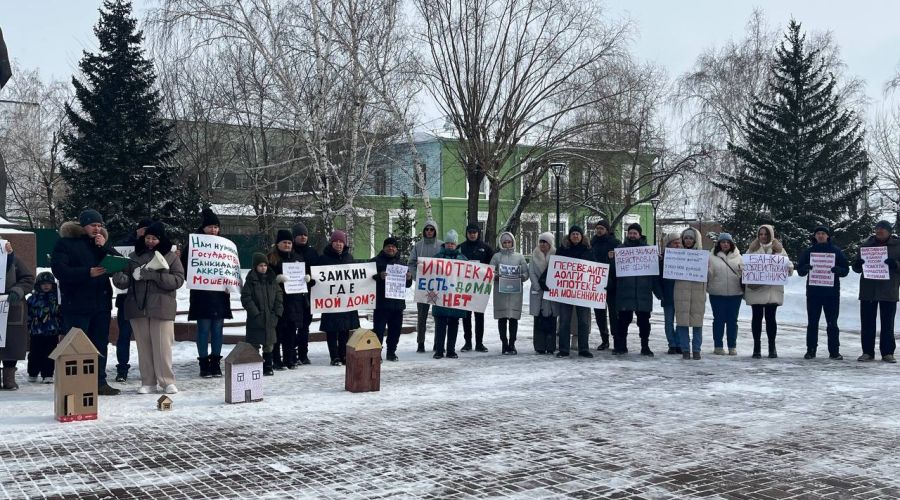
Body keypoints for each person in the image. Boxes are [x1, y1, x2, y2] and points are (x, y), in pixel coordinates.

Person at [50, 209, 120, 395]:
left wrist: (104, 246)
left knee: (100, 344)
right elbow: (59, 270)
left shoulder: (101, 244)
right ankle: (76, 383)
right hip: (77, 305)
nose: (97, 229)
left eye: (99, 225)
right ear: (83, 226)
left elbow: (119, 264)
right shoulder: (65, 243)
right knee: (77, 346)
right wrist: (86, 273)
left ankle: (100, 382)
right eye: (93, 225)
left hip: (101, 305)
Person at [112, 222, 185, 394]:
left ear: (161, 239)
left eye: (154, 238)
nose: (150, 241)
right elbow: (126, 281)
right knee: (143, 346)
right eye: (148, 238)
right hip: (138, 306)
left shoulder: (171, 256)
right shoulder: (133, 256)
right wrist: (118, 276)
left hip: (161, 306)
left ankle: (167, 381)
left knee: (162, 346)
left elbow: (178, 280)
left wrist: (154, 276)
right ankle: (148, 381)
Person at [183, 208, 232, 378]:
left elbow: (231, 267)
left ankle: (216, 363)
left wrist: (230, 284)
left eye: (216, 227)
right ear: (203, 227)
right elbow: (184, 266)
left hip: (220, 294)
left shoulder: (225, 245)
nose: (214, 230)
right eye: (210, 226)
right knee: (203, 329)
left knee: (218, 329)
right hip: (201, 294)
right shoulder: (193, 244)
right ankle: (204, 363)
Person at [797, 226, 849, 360]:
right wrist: (805, 268)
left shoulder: (836, 251)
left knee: (832, 323)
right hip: (814, 293)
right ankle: (811, 350)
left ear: (828, 236)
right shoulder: (809, 252)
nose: (820, 236)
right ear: (814, 236)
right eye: (818, 233)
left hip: (831, 294)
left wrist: (838, 270)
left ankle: (834, 351)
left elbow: (845, 270)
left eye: (823, 233)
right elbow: (800, 271)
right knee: (812, 323)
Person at [852, 220, 900, 362]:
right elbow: (855, 266)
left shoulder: (898, 246)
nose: (879, 231)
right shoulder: (866, 246)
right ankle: (867, 352)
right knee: (867, 323)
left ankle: (887, 352)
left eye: (883, 229)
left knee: (887, 323)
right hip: (869, 290)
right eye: (877, 228)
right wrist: (858, 265)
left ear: (889, 231)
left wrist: (895, 264)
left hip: (888, 290)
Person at [744, 224, 793, 359]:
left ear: (770, 235)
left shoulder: (779, 249)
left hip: (772, 290)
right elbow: (745, 264)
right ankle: (757, 347)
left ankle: (772, 347)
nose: (763, 236)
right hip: (757, 289)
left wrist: (788, 268)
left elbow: (788, 265)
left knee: (771, 319)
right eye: (761, 234)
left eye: (766, 234)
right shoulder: (752, 249)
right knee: (756, 319)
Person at [612, 223, 661, 357]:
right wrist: (611, 260)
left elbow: (654, 274)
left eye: (635, 233)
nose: (632, 235)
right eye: (630, 233)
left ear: (640, 234)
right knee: (623, 321)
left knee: (644, 322)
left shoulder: (648, 251)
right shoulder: (620, 250)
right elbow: (613, 272)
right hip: (624, 292)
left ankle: (645, 346)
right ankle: (622, 346)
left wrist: (658, 292)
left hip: (643, 293)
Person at [113, 218, 152, 382]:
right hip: (126, 297)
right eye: (143, 230)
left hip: (149, 296)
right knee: (124, 335)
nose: (145, 234)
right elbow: (117, 253)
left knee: (150, 336)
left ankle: (151, 369)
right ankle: (122, 368)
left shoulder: (156, 247)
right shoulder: (126, 244)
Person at [317, 230, 360, 366]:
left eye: (341, 242)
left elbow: (357, 277)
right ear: (332, 242)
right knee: (331, 330)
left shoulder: (349, 258)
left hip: (346, 300)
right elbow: (318, 278)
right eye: (336, 241)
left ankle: (343, 355)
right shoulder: (323, 259)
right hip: (330, 300)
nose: (339, 244)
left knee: (344, 330)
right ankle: (334, 356)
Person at [0, 243, 36, 390]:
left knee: (11, 342)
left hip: (11, 307)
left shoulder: (14, 259)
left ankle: (9, 377)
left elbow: (28, 278)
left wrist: (17, 291)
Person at [555, 225, 595, 358]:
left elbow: (595, 270)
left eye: (578, 234)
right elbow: (554, 267)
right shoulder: (562, 250)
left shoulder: (589, 250)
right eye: (573, 234)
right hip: (565, 291)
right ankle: (564, 349)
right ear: (569, 236)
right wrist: (545, 280)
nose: (575, 236)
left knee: (583, 321)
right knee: (564, 321)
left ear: (582, 236)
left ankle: (584, 349)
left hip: (583, 292)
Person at [241, 252, 284, 375]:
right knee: (254, 344)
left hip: (270, 318)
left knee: (269, 344)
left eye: (265, 265)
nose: (263, 268)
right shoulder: (250, 280)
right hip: (255, 319)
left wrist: (277, 313)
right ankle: (254, 367)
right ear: (255, 267)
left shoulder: (272, 279)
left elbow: (279, 297)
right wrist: (255, 313)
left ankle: (268, 366)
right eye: (260, 265)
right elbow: (246, 298)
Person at [371, 237, 412, 361]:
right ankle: (377, 353)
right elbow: (368, 280)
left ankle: (391, 352)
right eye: (388, 246)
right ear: (384, 248)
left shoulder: (402, 263)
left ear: (396, 248)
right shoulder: (375, 262)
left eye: (393, 246)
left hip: (397, 305)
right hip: (381, 304)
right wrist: (379, 276)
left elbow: (408, 285)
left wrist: (409, 278)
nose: (391, 248)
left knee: (395, 330)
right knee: (378, 330)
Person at [268, 230, 304, 370]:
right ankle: (276, 360)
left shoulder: (297, 258)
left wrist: (305, 279)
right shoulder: (271, 258)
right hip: (277, 301)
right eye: (284, 242)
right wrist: (276, 280)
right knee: (277, 332)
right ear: (278, 244)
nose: (287, 245)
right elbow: (265, 277)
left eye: (289, 242)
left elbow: (303, 273)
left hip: (293, 301)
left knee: (290, 331)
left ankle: (289, 359)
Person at [489, 232, 529, 354]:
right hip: (501, 293)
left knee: (513, 319)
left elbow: (526, 273)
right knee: (502, 319)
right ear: (501, 243)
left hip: (515, 293)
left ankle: (512, 343)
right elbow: (490, 271)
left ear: (513, 242)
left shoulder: (519, 257)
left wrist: (521, 277)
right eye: (504, 242)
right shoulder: (496, 257)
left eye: (509, 242)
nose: (507, 244)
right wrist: (496, 276)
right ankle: (504, 343)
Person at [408, 219, 443, 353]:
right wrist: (416, 276)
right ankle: (420, 342)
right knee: (422, 315)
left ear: (435, 231)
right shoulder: (418, 246)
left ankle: (437, 342)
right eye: (427, 229)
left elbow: (447, 264)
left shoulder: (441, 245)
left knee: (438, 315)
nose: (429, 232)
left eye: (431, 229)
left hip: (438, 286)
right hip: (423, 286)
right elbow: (411, 263)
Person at [431, 230, 467, 359]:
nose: (450, 245)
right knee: (440, 324)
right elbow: (429, 273)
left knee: (454, 324)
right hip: (440, 297)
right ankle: (439, 350)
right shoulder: (437, 259)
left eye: (452, 243)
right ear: (444, 244)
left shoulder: (463, 259)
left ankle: (451, 350)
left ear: (456, 244)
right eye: (448, 243)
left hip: (455, 298)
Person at [459, 223, 494, 352]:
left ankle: (479, 343)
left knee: (479, 316)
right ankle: (467, 342)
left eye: (475, 232)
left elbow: (493, 264)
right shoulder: (461, 248)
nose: (472, 234)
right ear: (467, 234)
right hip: (465, 287)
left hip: (480, 288)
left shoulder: (486, 248)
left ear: (478, 233)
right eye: (470, 232)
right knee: (466, 316)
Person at [707, 233, 743, 355]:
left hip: (735, 294)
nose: (725, 244)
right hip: (717, 294)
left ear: (731, 244)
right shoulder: (711, 258)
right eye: (723, 242)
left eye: (727, 242)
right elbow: (707, 275)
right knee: (719, 320)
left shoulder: (739, 257)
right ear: (719, 244)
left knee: (733, 321)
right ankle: (718, 345)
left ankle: (732, 346)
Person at [674, 228, 706, 360]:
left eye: (691, 238)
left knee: (697, 323)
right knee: (682, 323)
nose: (688, 240)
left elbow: (710, 274)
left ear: (695, 240)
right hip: (681, 294)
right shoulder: (676, 255)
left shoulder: (702, 256)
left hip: (698, 294)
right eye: (686, 238)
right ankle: (685, 349)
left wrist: (706, 269)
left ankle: (697, 350)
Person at [26, 272, 62, 383]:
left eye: (48, 284)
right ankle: (33, 372)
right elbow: (28, 314)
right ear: (38, 285)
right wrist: (28, 326)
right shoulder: (32, 299)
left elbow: (60, 314)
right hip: (36, 332)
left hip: (52, 332)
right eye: (43, 284)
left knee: (50, 354)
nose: (46, 286)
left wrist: (60, 328)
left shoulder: (56, 299)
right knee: (35, 354)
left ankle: (48, 374)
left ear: (53, 285)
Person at [591, 220, 620, 351]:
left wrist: (612, 259)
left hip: (612, 284)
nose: (599, 230)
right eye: (597, 228)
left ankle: (617, 339)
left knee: (614, 314)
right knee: (599, 315)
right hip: (597, 284)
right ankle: (604, 339)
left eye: (601, 228)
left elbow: (621, 264)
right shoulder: (592, 243)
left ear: (607, 230)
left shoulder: (615, 243)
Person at [292, 222, 317, 365]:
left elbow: (320, 271)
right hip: (293, 296)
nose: (303, 237)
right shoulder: (290, 251)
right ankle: (291, 352)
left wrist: (313, 280)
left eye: (305, 235)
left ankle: (303, 354)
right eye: (300, 235)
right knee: (291, 326)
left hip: (308, 296)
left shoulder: (312, 252)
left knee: (305, 326)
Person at [529, 232, 557, 354]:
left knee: (551, 319)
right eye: (541, 241)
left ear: (550, 243)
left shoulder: (556, 255)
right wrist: (538, 286)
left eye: (545, 242)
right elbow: (531, 272)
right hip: (538, 292)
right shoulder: (534, 255)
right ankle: (539, 346)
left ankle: (550, 346)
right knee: (539, 320)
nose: (542, 244)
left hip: (551, 292)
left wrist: (551, 285)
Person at [659, 233, 682, 355]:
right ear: (669, 244)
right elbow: (658, 278)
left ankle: (678, 343)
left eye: (679, 242)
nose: (678, 245)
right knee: (668, 321)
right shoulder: (662, 259)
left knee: (680, 321)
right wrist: (659, 293)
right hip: (667, 294)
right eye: (675, 242)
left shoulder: (686, 257)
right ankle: (671, 344)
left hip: (681, 294)